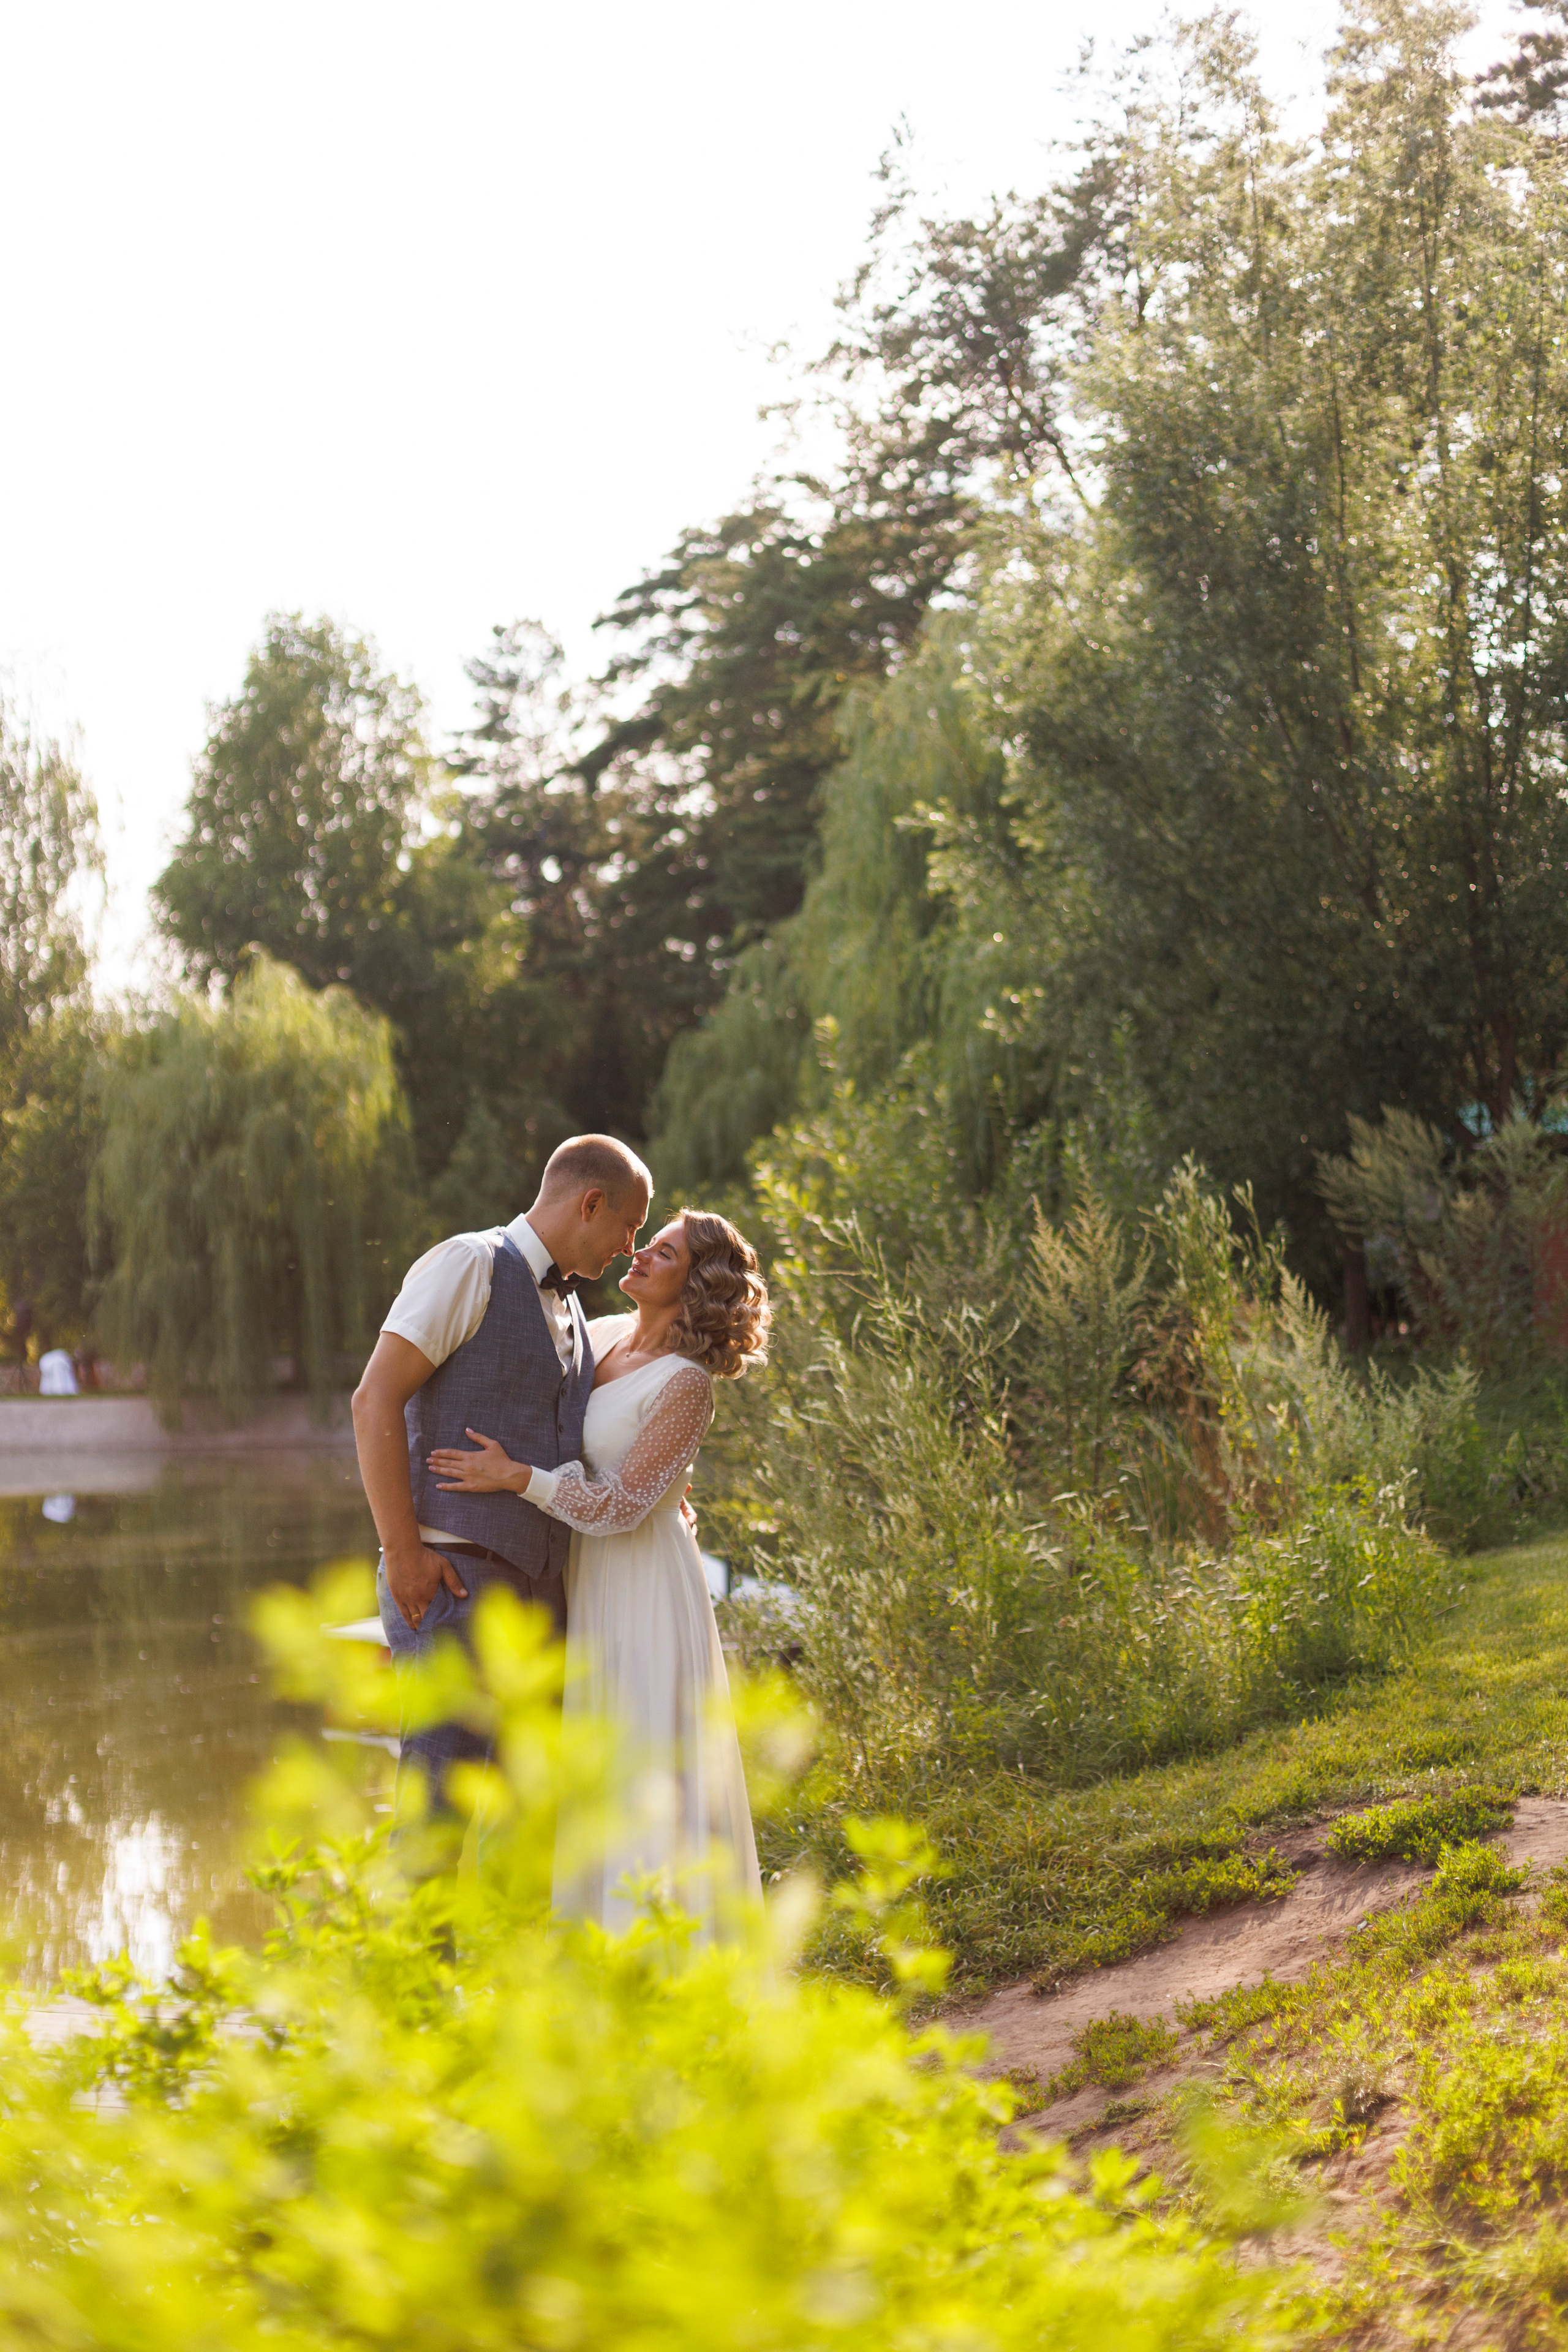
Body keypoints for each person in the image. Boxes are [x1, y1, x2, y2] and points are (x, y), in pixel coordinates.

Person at [427, 1208, 769, 1947]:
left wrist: (516, 1478)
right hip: (578, 1575)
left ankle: (661, 1959)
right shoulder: (603, 1333)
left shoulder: (687, 1384)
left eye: (664, 1251)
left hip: (640, 1584)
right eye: (648, 1241)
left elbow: (618, 1506)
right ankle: (582, 1962)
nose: (639, 1253)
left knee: (640, 1759)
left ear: (697, 1284)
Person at [351, 1133, 652, 1802]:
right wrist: (403, 1554)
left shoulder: (572, 1308)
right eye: (629, 1226)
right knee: (438, 1812)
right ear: (591, 1202)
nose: (630, 1248)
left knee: (522, 1829)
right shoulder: (470, 1263)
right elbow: (374, 1400)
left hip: (541, 1597)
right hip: (452, 1582)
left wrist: (661, 1493)